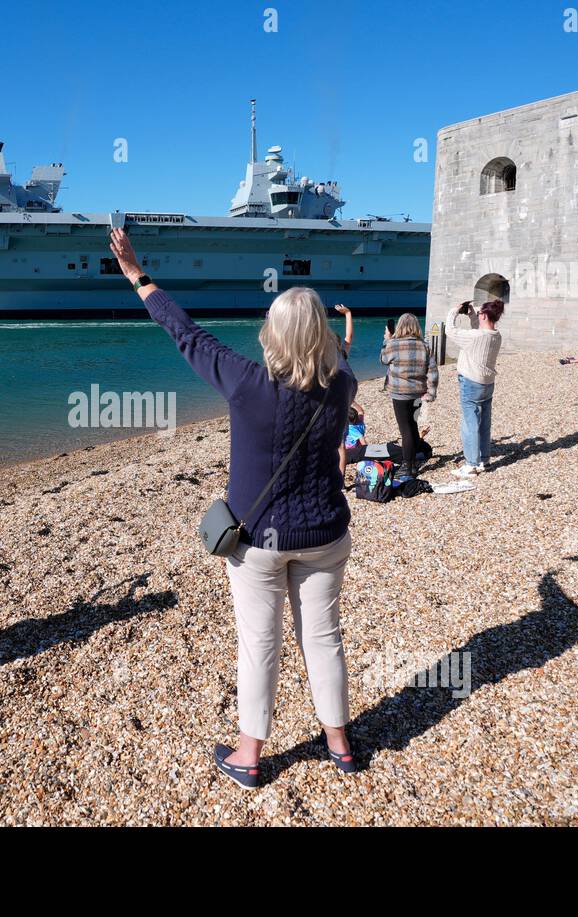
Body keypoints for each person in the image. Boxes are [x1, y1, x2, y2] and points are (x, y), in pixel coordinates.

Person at [109, 227, 358, 787]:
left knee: (259, 646)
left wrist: (135, 273)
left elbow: (186, 334)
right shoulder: (341, 383)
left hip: (259, 543)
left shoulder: (246, 383)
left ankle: (249, 757)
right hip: (325, 534)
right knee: (323, 638)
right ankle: (339, 745)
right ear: (321, 335)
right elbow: (337, 355)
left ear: (270, 332)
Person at [446, 299, 504, 477]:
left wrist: (454, 311)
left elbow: (450, 330)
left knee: (469, 424)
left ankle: (471, 464)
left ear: (485, 315)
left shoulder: (475, 337)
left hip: (471, 383)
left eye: (479, 314)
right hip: (487, 383)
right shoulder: (496, 335)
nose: (478, 315)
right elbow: (478, 331)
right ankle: (484, 460)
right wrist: (472, 313)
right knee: (484, 423)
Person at [379, 313, 437, 480]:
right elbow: (432, 371)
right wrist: (431, 393)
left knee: (405, 430)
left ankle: (408, 466)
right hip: (418, 393)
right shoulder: (424, 346)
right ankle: (411, 462)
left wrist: (387, 340)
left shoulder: (394, 344)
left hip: (399, 393)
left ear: (400, 326)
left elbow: (383, 359)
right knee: (412, 426)